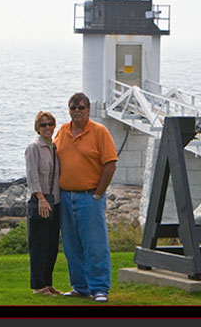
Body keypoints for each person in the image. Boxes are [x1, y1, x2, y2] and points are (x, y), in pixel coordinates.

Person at [54, 92, 117, 303]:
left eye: (81, 107)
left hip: (90, 197)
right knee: (71, 246)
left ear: (88, 109)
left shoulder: (100, 132)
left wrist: (98, 193)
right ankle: (80, 287)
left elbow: (110, 164)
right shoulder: (62, 131)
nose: (77, 111)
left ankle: (99, 288)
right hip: (65, 198)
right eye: (73, 107)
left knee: (95, 245)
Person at [25, 111, 62, 296]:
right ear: (37, 128)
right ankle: (38, 286)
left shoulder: (54, 147)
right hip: (40, 200)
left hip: (54, 201)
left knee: (51, 245)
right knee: (39, 245)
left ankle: (47, 283)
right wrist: (40, 198)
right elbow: (32, 176)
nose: (47, 128)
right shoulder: (34, 148)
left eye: (50, 124)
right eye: (43, 125)